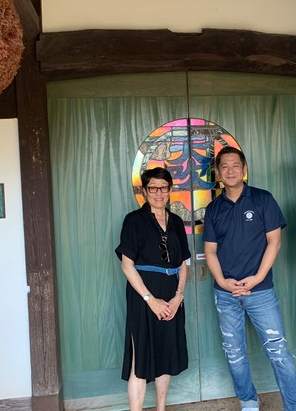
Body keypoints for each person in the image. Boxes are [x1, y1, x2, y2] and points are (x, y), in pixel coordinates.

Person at [203, 146, 296, 411]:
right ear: (218, 172)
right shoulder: (213, 208)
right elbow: (210, 252)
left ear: (244, 169)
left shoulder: (262, 199)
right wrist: (223, 282)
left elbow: (275, 242)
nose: (230, 170)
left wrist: (258, 277)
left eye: (236, 165)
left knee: (278, 352)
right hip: (226, 294)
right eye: (225, 166)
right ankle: (248, 402)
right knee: (234, 354)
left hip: (261, 292)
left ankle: (293, 406)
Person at [115, 167, 190, 411]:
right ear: (145, 191)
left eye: (164, 188)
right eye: (153, 188)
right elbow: (127, 266)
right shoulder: (133, 220)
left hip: (172, 297)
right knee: (141, 357)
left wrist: (179, 296)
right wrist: (150, 299)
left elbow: (183, 264)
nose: (159, 193)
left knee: (166, 354)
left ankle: (161, 408)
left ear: (170, 190)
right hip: (143, 298)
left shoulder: (177, 221)